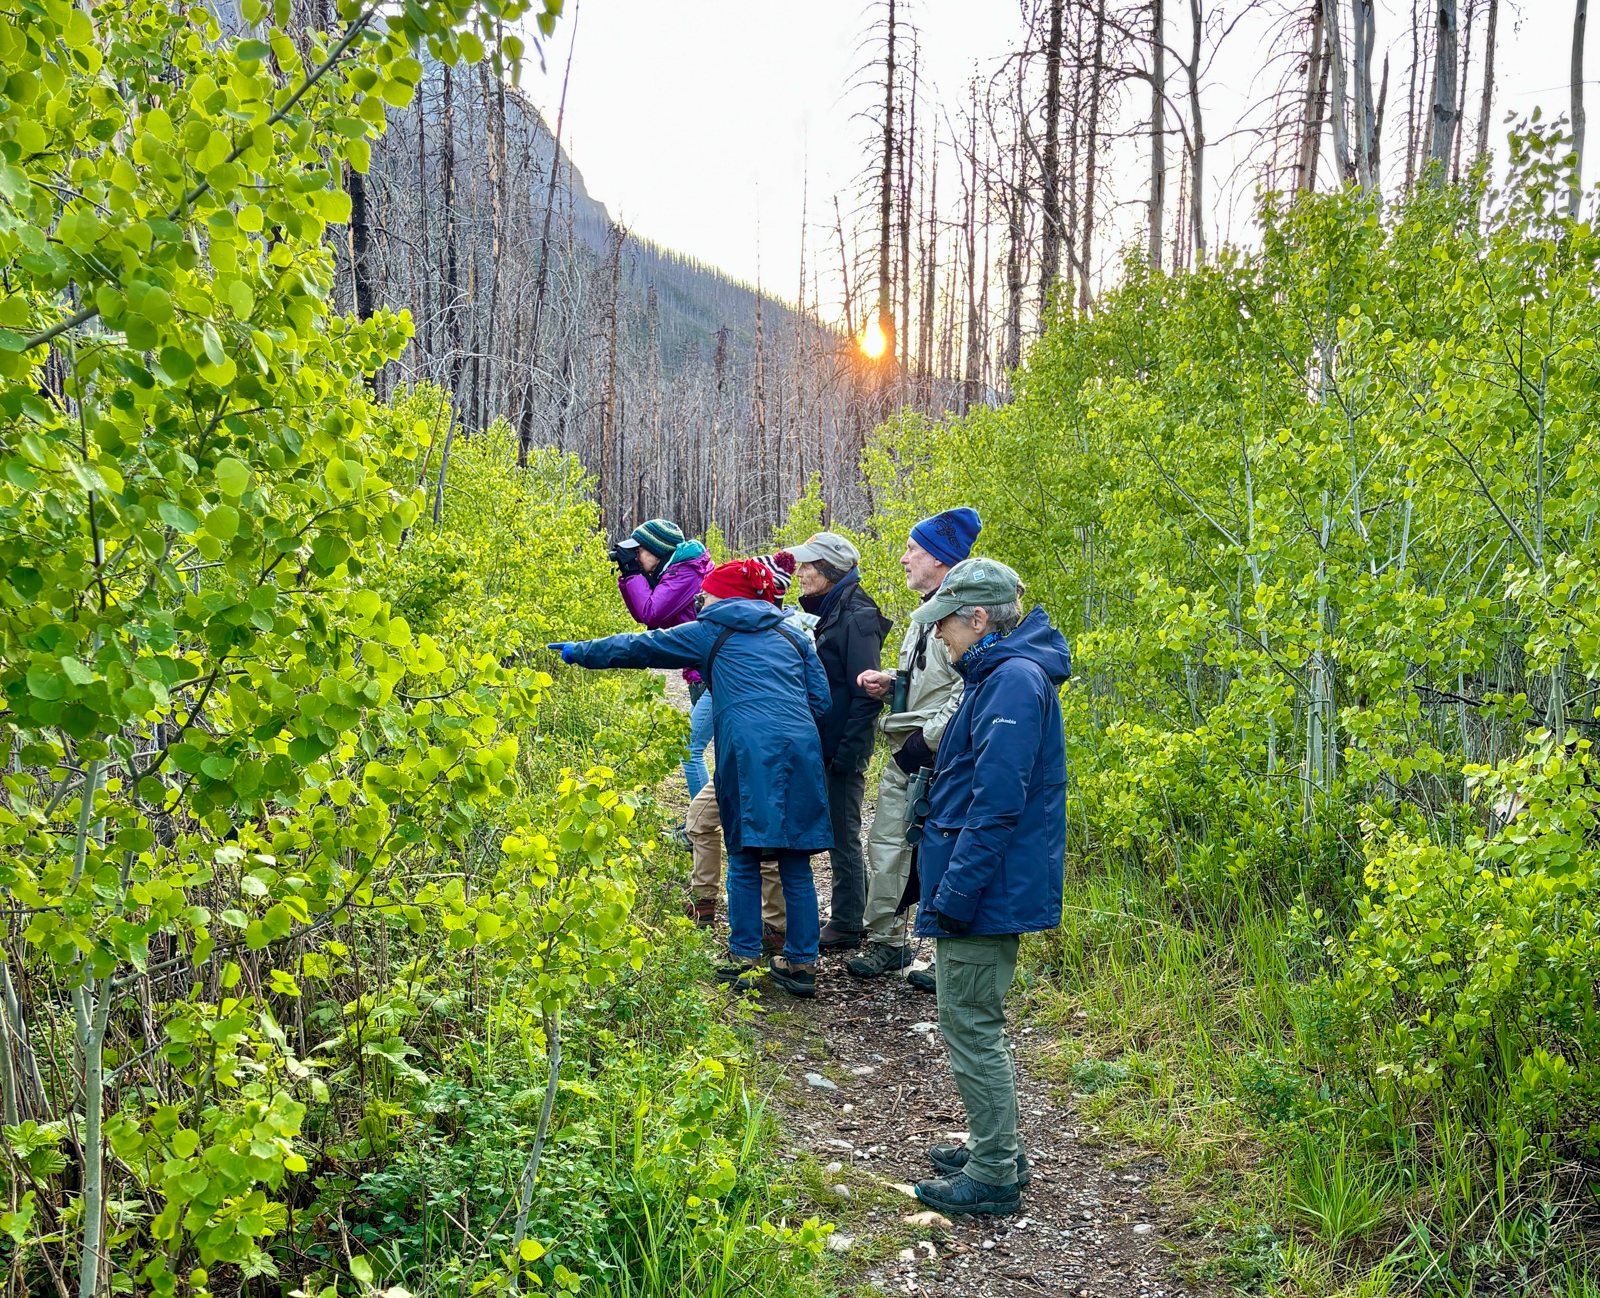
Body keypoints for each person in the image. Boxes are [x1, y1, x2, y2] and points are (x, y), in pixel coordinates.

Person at [548, 558, 832, 998]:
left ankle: (743, 958)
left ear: (725, 596)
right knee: (795, 863)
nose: (703, 598)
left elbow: (641, 648)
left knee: (745, 856)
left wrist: (579, 651)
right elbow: (821, 699)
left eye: (709, 592)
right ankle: (802, 964)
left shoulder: (711, 630)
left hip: (745, 750)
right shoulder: (793, 634)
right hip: (800, 749)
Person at [904, 557, 1071, 1217]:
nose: (940, 634)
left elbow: (998, 805)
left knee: (970, 1021)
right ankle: (995, 1144)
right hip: (983, 882)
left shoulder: (1011, 682)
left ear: (978, 618)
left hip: (986, 888)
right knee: (972, 1019)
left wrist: (955, 895)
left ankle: (996, 1171)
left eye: (946, 622)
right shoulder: (999, 674)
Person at [847, 508, 982, 983]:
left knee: (941, 854)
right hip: (912, 750)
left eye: (913, 550)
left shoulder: (965, 613)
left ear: (941, 559)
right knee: (886, 845)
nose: (904, 559)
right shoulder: (925, 612)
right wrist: (893, 683)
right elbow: (935, 678)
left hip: (937, 756)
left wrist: (926, 744)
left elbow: (968, 689)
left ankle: (946, 960)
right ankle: (889, 943)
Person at [684, 552, 807, 947]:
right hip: (745, 760)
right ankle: (704, 904)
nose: (703, 601)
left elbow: (816, 701)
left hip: (774, 759)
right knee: (701, 819)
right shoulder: (736, 634)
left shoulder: (787, 635)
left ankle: (771, 934)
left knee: (764, 851)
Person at [789, 532, 890, 951]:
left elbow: (868, 694)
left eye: (809, 565)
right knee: (832, 828)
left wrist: (848, 753)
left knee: (842, 832)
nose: (801, 572)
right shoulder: (831, 609)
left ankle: (849, 922)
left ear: (830, 571)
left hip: (842, 745)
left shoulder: (857, 615)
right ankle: (849, 916)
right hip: (825, 741)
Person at [609, 518, 716, 803]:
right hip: (701, 672)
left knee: (690, 748)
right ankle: (703, 822)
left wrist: (632, 572)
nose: (635, 556)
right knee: (709, 751)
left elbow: (652, 612)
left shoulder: (686, 573)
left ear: (659, 551)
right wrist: (627, 576)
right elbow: (645, 618)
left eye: (639, 551)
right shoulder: (676, 571)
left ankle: (699, 825)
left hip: (714, 674)